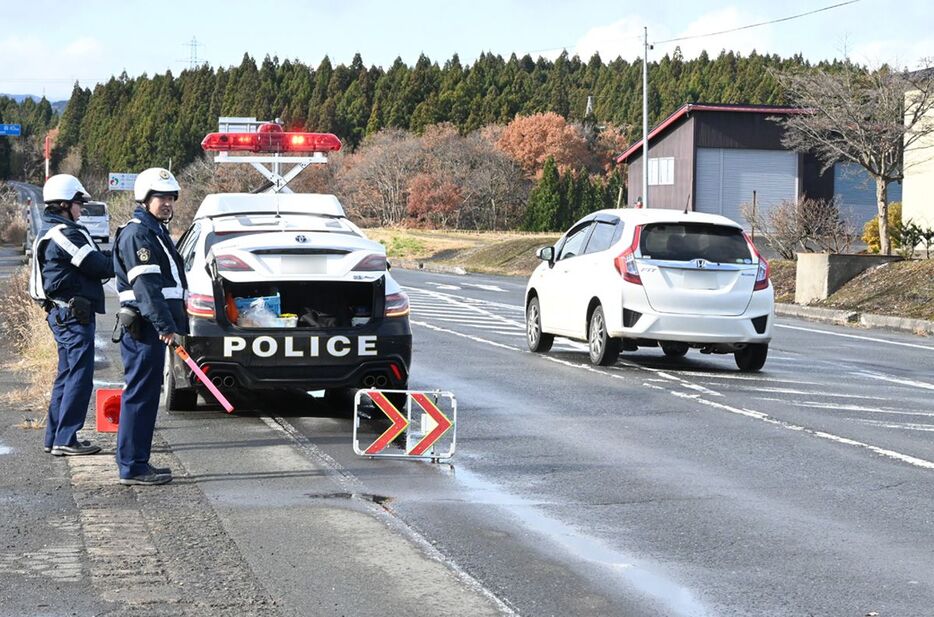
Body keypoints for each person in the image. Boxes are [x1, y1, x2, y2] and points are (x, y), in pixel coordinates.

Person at [112, 168, 188, 486]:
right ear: (144, 198)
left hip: (151, 328)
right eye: (161, 197)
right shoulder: (138, 235)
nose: (167, 203)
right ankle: (132, 466)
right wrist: (164, 325)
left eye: (171, 197)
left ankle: (137, 461)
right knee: (140, 396)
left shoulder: (153, 230)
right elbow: (146, 287)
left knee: (145, 395)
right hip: (144, 329)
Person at [29, 174, 114, 456]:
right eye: (79, 203)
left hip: (62, 314)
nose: (81, 209)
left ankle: (55, 438)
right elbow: (99, 266)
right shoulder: (65, 234)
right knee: (79, 376)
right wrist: (121, 252)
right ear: (64, 204)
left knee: (66, 376)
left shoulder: (50, 230)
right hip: (73, 317)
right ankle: (66, 438)